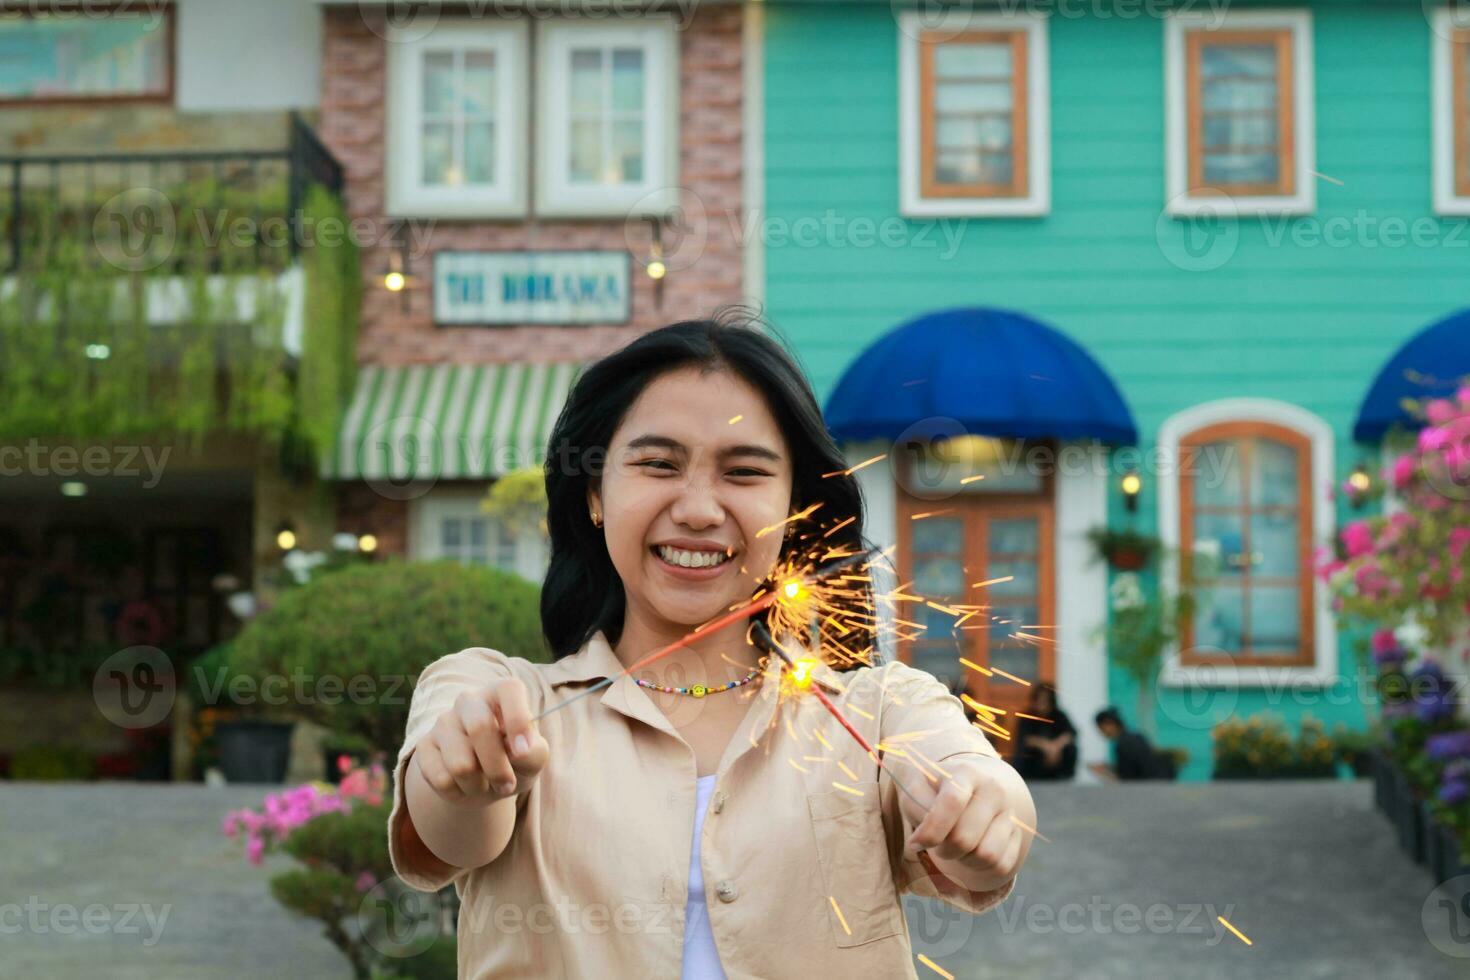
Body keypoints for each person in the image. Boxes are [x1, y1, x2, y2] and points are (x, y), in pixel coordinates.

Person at [389, 313, 1037, 978]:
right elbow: (450, 830)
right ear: (594, 494)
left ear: (795, 509)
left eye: (745, 472)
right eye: (658, 464)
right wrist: (466, 783)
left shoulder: (878, 712)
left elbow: (971, 781)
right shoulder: (498, 698)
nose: (698, 509)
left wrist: (985, 807)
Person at [1088, 706, 1176, 781]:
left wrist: (1104, 773)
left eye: (1100, 727)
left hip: (1151, 785)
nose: (1100, 731)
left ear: (1110, 724)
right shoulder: (1135, 736)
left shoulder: (1123, 744)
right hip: (1160, 780)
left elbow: (1127, 778)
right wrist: (1108, 767)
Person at [1013, 682, 1077, 781]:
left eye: (1045, 700)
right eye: (1039, 699)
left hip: (1056, 759)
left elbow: (1071, 733)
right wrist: (1046, 746)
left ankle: (1064, 776)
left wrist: (1056, 746)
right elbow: (1024, 738)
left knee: (1071, 748)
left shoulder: (1059, 716)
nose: (1042, 704)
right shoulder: (1027, 716)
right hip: (1035, 761)